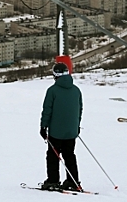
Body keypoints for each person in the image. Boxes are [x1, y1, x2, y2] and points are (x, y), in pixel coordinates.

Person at [39, 62, 83, 191]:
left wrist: (43, 127)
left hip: (56, 131)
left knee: (53, 156)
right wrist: (77, 126)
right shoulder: (76, 90)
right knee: (69, 155)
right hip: (71, 130)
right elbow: (79, 110)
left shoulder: (52, 90)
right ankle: (73, 181)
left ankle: (53, 181)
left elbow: (47, 110)